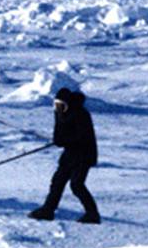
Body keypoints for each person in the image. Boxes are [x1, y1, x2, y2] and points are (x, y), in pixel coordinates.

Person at [29, 87, 101, 224]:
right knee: (57, 181)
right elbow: (59, 136)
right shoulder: (61, 114)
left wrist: (63, 140)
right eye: (56, 105)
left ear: (68, 103)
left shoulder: (81, 114)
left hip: (84, 155)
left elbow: (79, 137)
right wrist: (59, 137)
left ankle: (92, 214)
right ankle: (48, 210)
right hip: (70, 154)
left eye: (61, 105)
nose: (58, 108)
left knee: (77, 185)